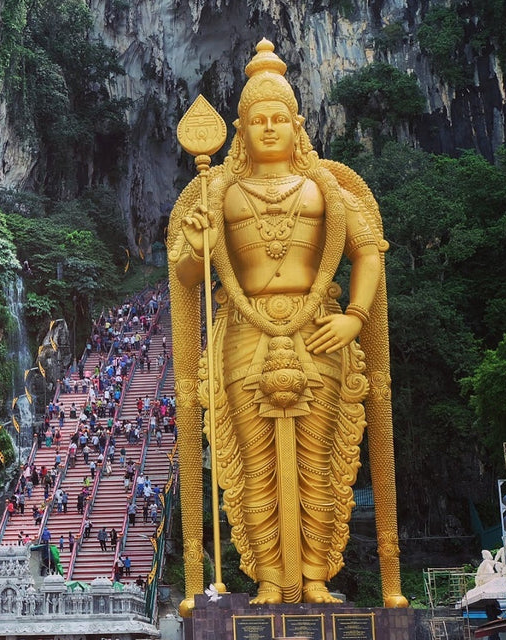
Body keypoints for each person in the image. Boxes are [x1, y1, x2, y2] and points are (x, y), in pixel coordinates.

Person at [169, 39, 404, 607]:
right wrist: (197, 241)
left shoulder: (324, 188)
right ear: (240, 128)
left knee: (320, 460)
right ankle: (269, 578)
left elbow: (368, 251)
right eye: (258, 120)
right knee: (253, 465)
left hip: (319, 328)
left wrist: (354, 317)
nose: (269, 128)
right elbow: (185, 271)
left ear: (296, 124)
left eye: (279, 118)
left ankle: (318, 576)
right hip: (246, 332)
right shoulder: (218, 193)